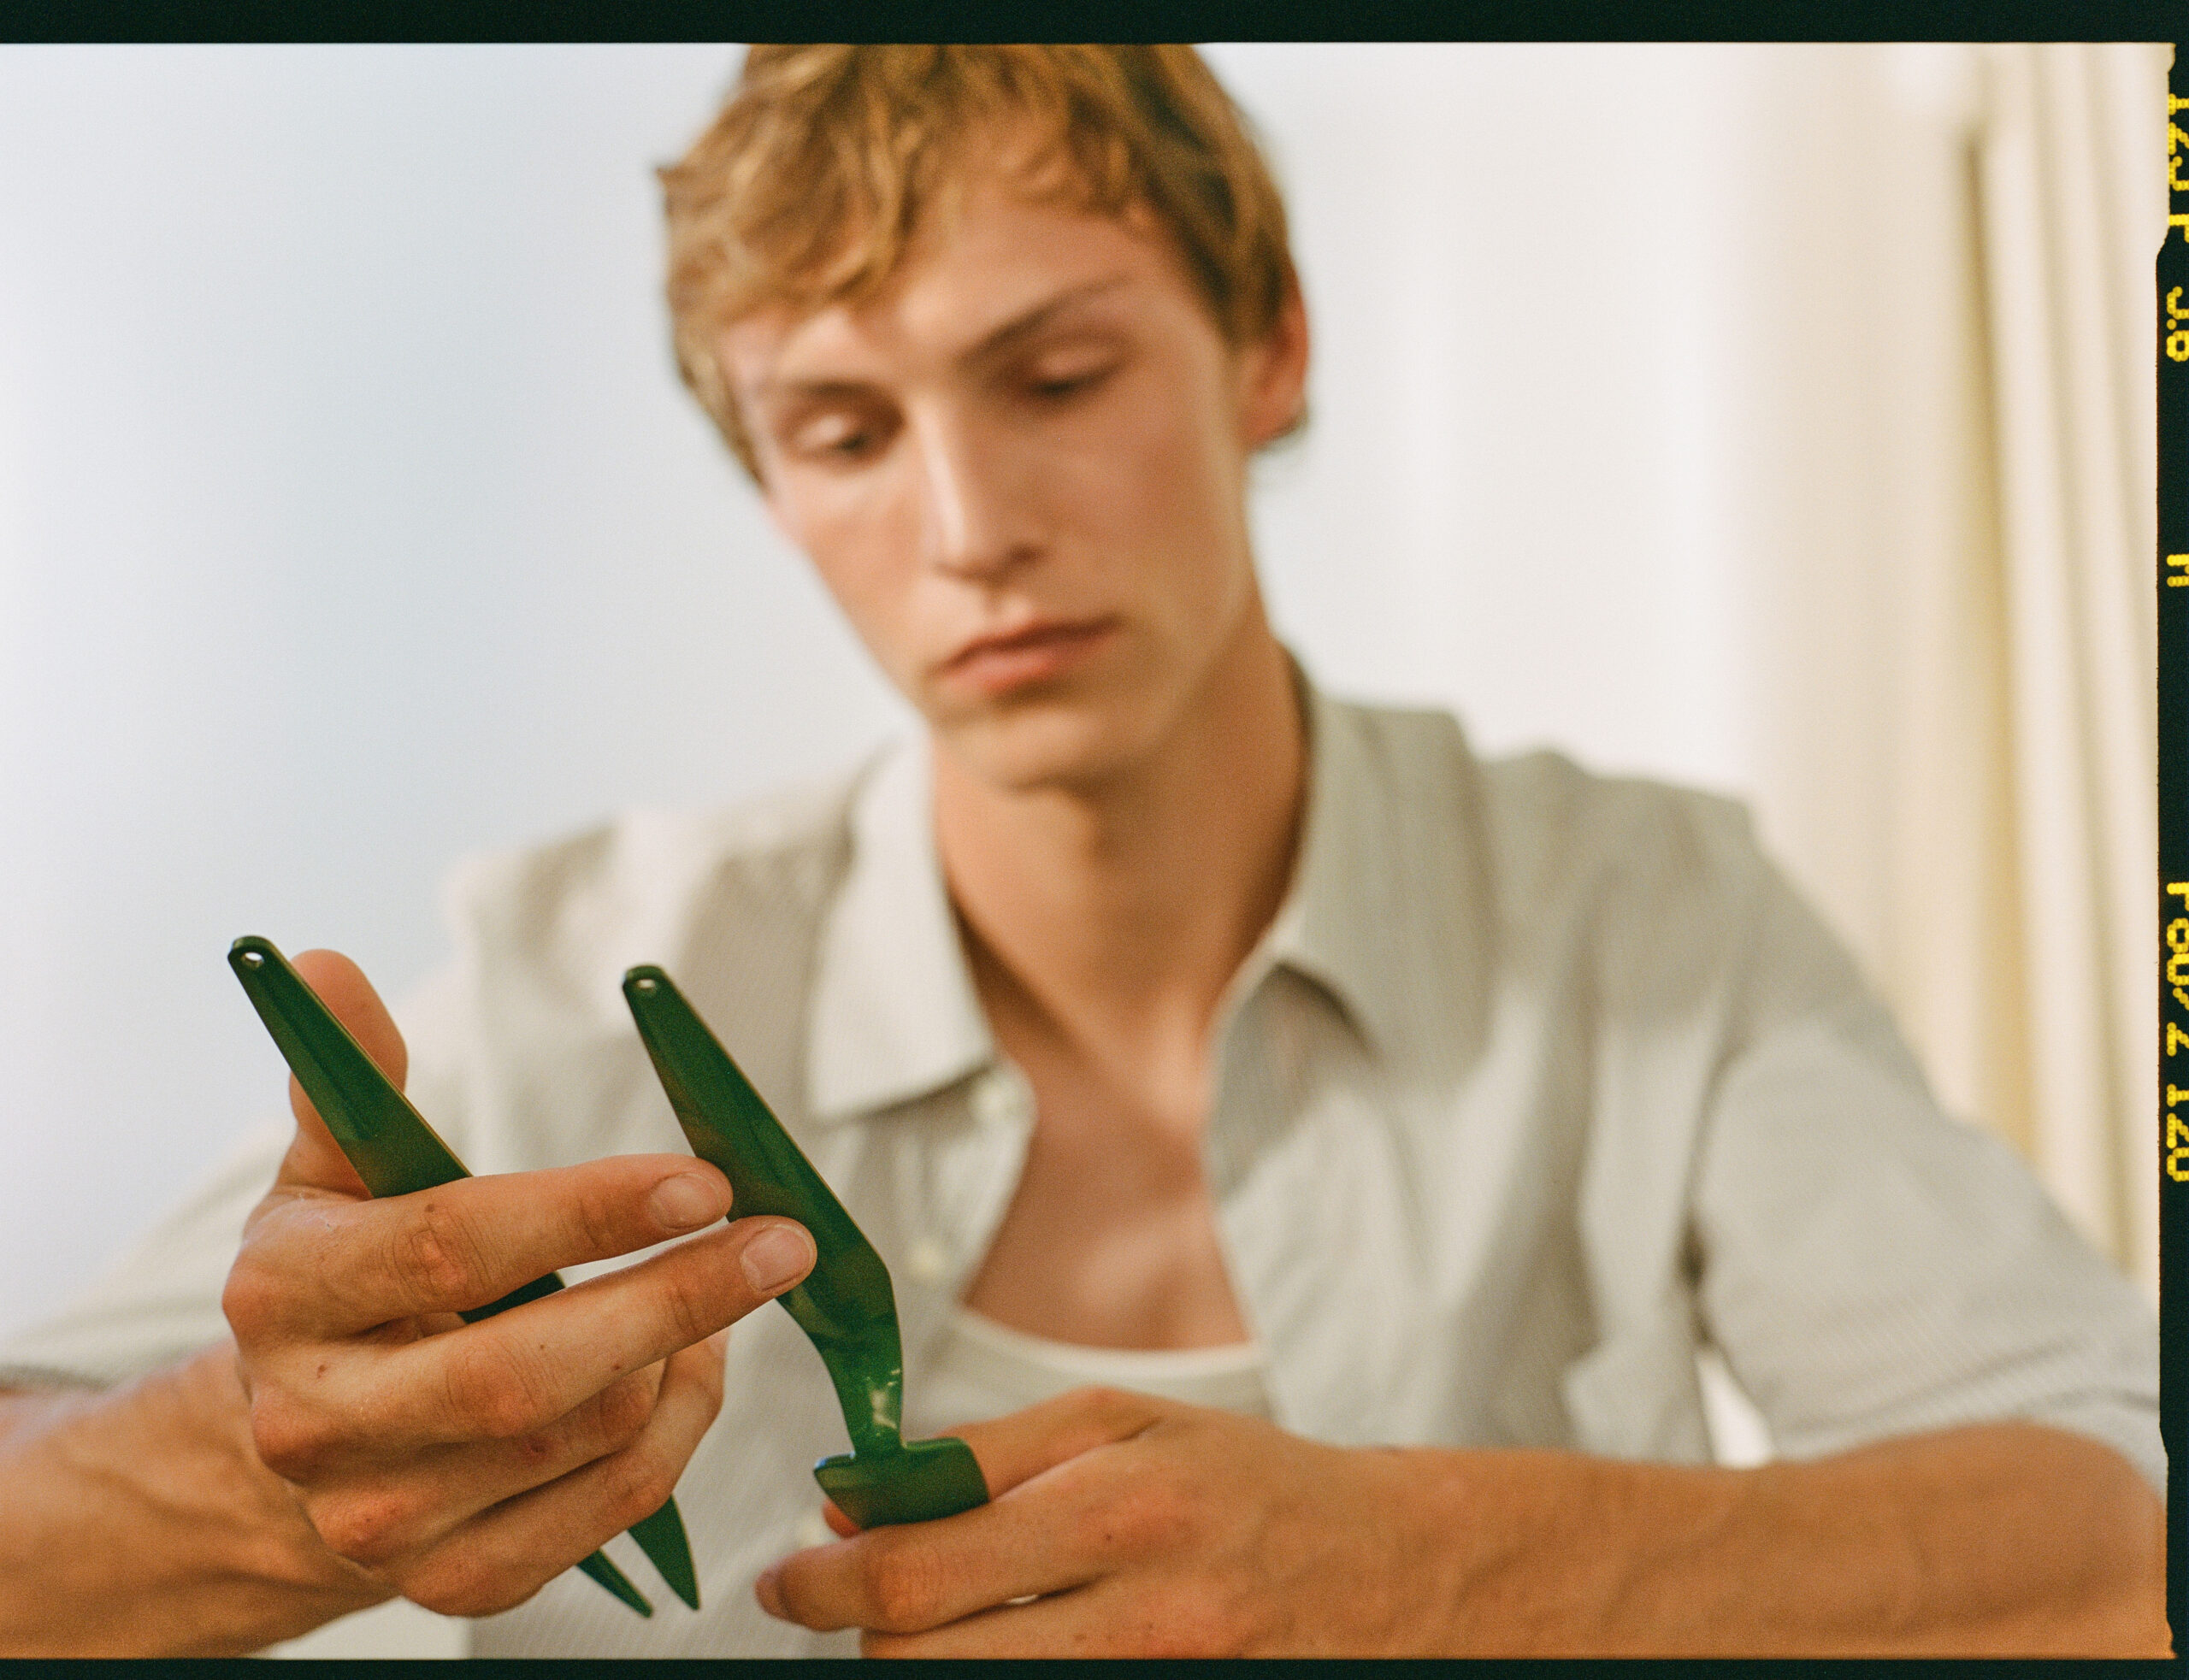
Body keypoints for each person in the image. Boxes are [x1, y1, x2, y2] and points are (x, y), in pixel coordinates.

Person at [0, 45, 2166, 1658]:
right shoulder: (583, 980)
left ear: (1268, 347)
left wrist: (1421, 1563)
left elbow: (2106, 1534)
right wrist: (270, 1471)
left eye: (1052, 374)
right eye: (841, 431)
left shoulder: (1640, 918)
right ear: (767, 481)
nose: (967, 531)